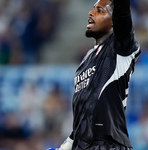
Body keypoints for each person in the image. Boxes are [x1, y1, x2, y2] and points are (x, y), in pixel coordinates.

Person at [48, 0, 140, 149]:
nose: (91, 13)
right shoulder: (85, 61)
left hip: (109, 144)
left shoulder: (119, 47)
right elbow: (86, 114)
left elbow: (122, 13)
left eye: (100, 11)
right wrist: (68, 144)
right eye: (93, 9)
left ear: (114, 21)